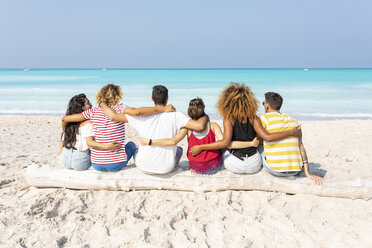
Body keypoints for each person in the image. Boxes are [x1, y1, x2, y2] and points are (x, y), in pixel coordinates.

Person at [189, 83, 300, 174]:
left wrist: (201, 147)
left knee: (222, 150)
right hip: (254, 165)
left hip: (234, 164)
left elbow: (225, 143)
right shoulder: (254, 118)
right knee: (261, 147)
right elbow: (267, 137)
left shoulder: (228, 119)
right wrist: (291, 131)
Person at [62, 84, 174, 172]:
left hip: (97, 164)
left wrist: (64, 129)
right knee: (131, 145)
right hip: (116, 164)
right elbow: (137, 112)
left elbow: (65, 119)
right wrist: (162, 109)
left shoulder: (93, 111)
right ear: (117, 95)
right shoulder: (121, 108)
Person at [100, 85, 208, 175]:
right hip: (166, 168)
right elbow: (199, 126)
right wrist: (205, 116)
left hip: (143, 165)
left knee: (134, 147)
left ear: (152, 98)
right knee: (179, 150)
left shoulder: (140, 116)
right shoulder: (176, 115)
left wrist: (102, 104)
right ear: (167, 98)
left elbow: (113, 116)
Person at [139, 98, 258, 174]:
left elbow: (172, 141)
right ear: (204, 110)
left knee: (178, 149)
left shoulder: (187, 128)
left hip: (194, 168)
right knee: (224, 147)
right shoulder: (213, 125)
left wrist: (150, 141)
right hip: (213, 168)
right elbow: (224, 143)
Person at [258, 92, 323, 185]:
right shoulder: (294, 122)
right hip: (295, 171)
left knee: (259, 146)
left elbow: (259, 138)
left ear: (267, 105)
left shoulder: (264, 118)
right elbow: (301, 147)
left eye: (263, 103)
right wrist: (308, 173)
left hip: (275, 170)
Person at [59, 94, 120, 171]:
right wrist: (107, 147)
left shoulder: (68, 123)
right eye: (88, 103)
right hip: (80, 161)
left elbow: (62, 142)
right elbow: (90, 143)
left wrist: (62, 155)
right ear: (82, 108)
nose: (91, 105)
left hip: (64, 159)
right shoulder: (88, 123)